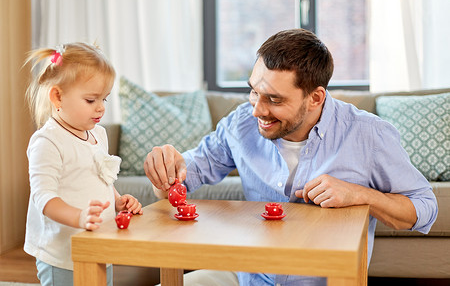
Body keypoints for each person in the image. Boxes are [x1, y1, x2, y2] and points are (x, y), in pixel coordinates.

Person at [144, 29, 438, 286]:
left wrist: (361, 195)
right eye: (253, 92)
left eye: (274, 99)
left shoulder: (368, 134)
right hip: (252, 279)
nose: (257, 110)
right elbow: (179, 182)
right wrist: (166, 168)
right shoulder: (240, 124)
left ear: (315, 98)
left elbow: (424, 209)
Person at [24, 42, 143, 286]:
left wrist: (118, 200)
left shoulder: (98, 134)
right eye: (91, 100)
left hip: (99, 243)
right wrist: (79, 217)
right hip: (63, 254)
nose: (100, 108)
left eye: (104, 99)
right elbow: (43, 198)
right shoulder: (48, 141)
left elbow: (101, 178)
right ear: (57, 96)